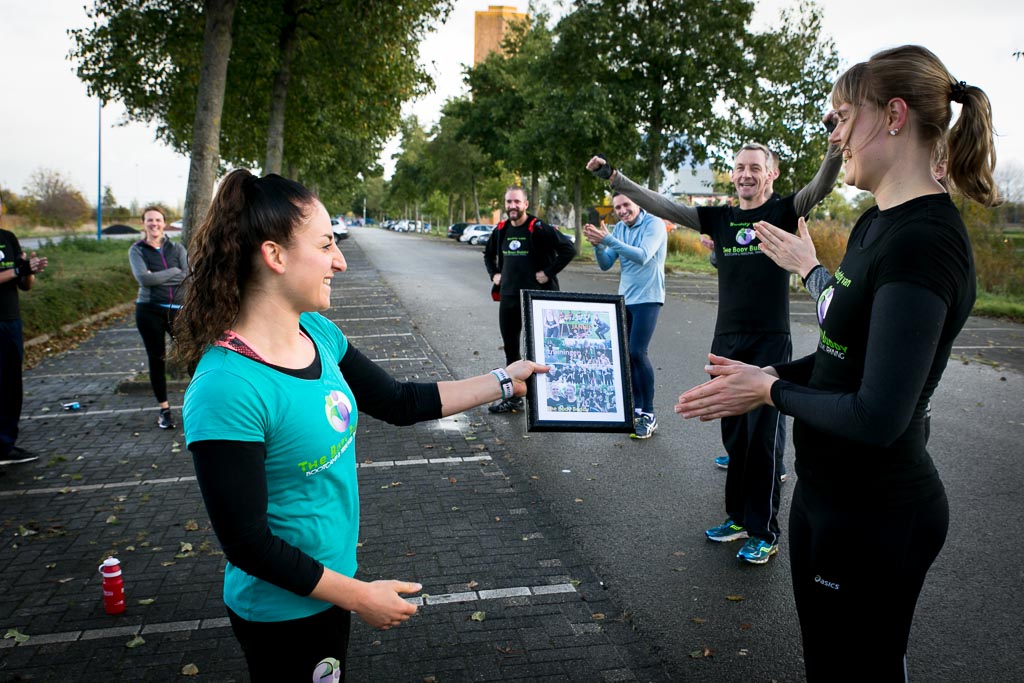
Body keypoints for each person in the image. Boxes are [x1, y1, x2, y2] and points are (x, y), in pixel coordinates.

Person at [674, 45, 996, 679]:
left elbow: (877, 415)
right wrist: (765, 377)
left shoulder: (924, 241)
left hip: (878, 512)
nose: (834, 135)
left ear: (894, 116)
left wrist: (769, 394)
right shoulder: (876, 223)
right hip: (825, 497)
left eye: (841, 117)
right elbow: (840, 352)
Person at [176, 170, 547, 681]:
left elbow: (398, 400)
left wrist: (506, 379)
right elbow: (247, 544)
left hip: (331, 588)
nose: (340, 260)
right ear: (274, 255)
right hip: (283, 612)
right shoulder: (226, 387)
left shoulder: (318, 333)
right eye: (326, 244)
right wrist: (359, 597)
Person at [587, 134, 840, 565]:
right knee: (734, 435)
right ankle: (739, 517)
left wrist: (835, 149)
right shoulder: (719, 218)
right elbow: (663, 204)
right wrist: (616, 177)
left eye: (755, 167)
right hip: (726, 341)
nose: (746, 174)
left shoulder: (783, 210)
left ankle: (764, 530)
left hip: (769, 343)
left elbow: (821, 185)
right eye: (740, 167)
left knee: (762, 441)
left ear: (771, 174)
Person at [483, 185, 575, 413]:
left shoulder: (539, 228)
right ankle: (514, 397)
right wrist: (494, 273)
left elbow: (568, 249)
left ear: (525, 204)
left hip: (537, 300)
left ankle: (545, 401)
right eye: (508, 202)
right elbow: (487, 254)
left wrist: (548, 272)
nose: (512, 206)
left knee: (540, 352)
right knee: (511, 349)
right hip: (509, 298)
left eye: (517, 202)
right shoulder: (502, 229)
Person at [583, 192, 667, 439]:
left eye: (626, 205)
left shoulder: (655, 224)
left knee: (637, 352)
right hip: (624, 299)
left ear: (637, 203)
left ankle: (648, 414)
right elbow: (606, 263)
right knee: (626, 357)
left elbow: (642, 255)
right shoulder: (619, 228)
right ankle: (635, 409)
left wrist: (609, 238)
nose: (622, 211)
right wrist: (599, 246)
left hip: (649, 298)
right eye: (617, 207)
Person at [128, 206, 188, 429]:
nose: (154, 224)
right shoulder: (137, 251)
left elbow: (187, 274)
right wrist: (173, 272)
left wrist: (160, 276)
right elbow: (144, 279)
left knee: (192, 355)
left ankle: (197, 404)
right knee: (157, 359)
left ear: (164, 223)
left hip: (177, 310)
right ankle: (164, 410)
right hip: (149, 310)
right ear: (143, 223)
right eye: (149, 220)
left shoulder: (177, 248)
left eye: (158, 220)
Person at [0, 192, 48, 466]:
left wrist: (30, 269)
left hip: (11, 320)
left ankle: (6, 445)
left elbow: (25, 284)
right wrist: (18, 270)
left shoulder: (8, 237)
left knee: (11, 386)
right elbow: (14, 272)